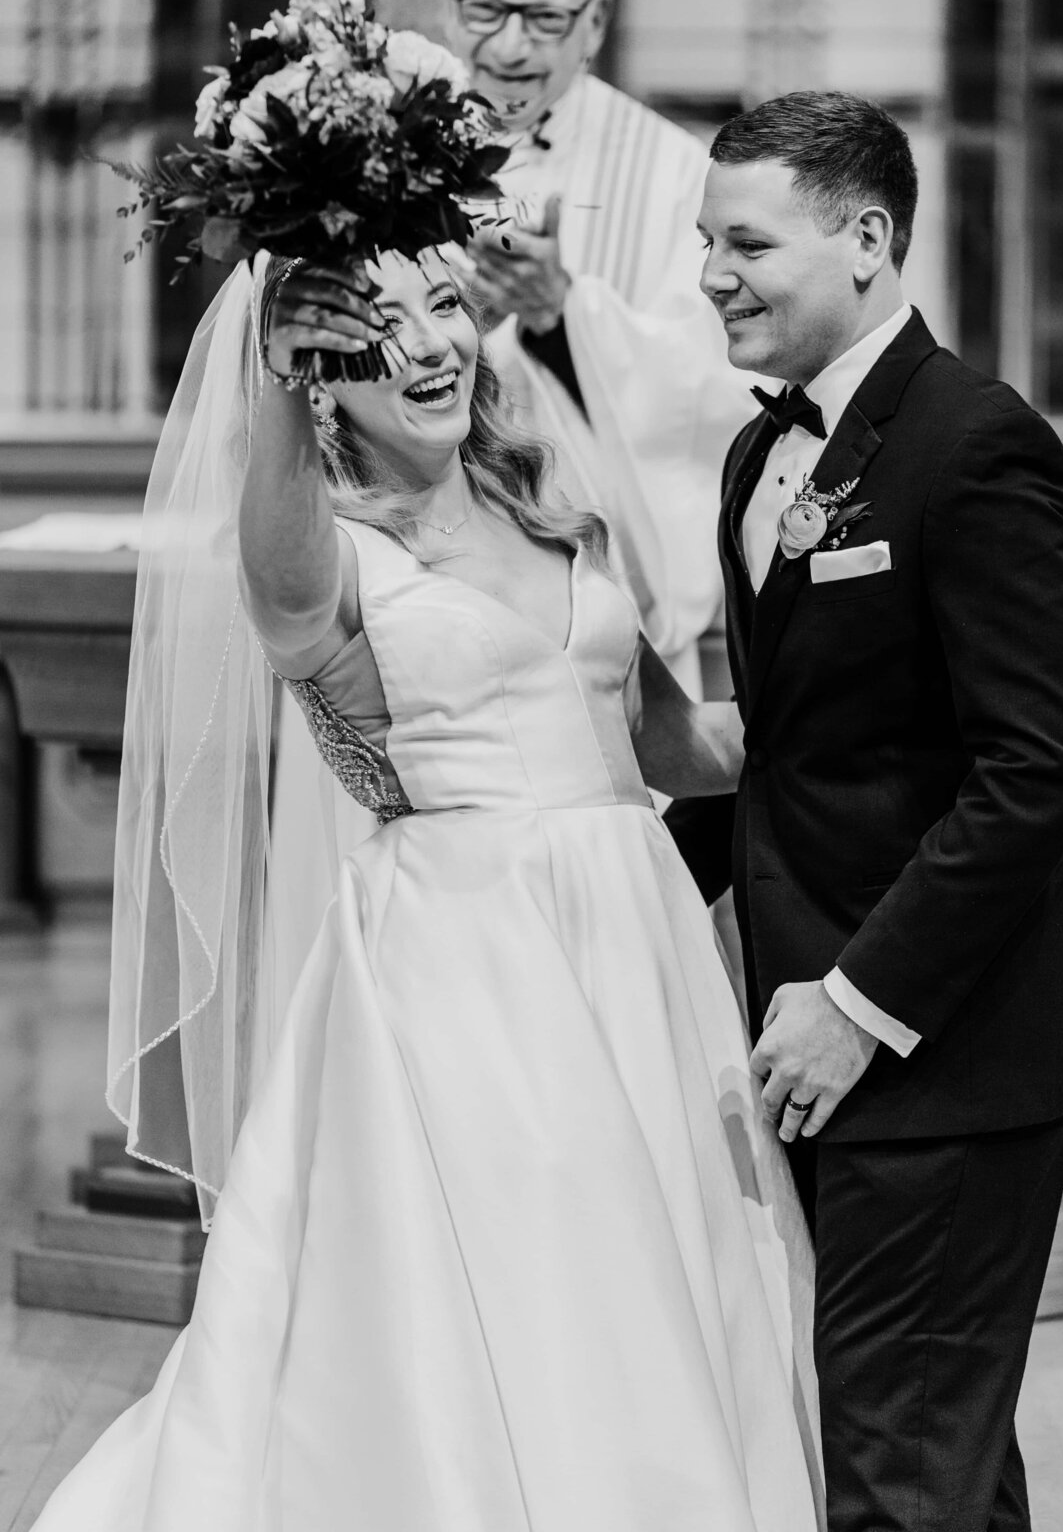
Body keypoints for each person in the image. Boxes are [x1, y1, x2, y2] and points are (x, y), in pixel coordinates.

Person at [31, 244, 823, 1532]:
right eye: (377, 328)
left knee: (672, 1257)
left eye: (445, 306)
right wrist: (285, 380)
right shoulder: (321, 557)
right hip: (470, 956)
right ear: (320, 384)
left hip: (638, 938)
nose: (431, 344)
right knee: (534, 1266)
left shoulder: (552, 510)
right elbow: (281, 580)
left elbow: (677, 746)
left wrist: (883, 713)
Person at [666, 91, 1063, 1532]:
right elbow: (807, 754)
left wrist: (858, 1001)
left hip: (945, 1045)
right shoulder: (762, 455)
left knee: (894, 1473)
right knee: (930, 1460)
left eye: (747, 242)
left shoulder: (977, 445)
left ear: (867, 240)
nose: (709, 276)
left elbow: (1043, 773)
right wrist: (590, 873)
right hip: (820, 1041)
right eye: (706, 242)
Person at [441, 0, 760, 692]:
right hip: (417, 569)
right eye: (485, 11)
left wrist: (561, 318)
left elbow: (711, 381)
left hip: (588, 591)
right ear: (450, 6)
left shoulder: (673, 172)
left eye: (544, 19)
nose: (510, 45)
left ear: (596, 20)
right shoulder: (384, 145)